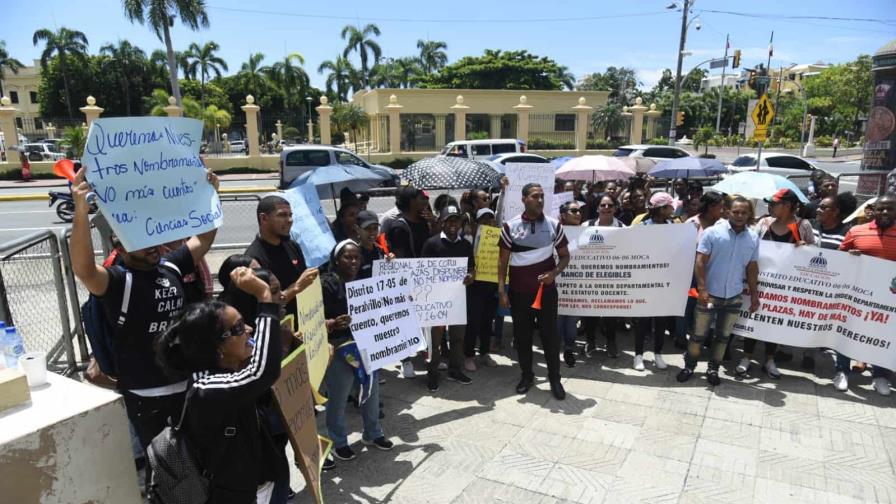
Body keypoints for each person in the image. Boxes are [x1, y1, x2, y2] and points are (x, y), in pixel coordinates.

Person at [69, 167, 219, 454]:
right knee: (169, 471)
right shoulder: (116, 281)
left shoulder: (170, 266)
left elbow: (203, 239)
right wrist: (79, 209)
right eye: (140, 240)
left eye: (151, 236)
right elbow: (84, 268)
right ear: (120, 248)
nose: (151, 245)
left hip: (186, 384)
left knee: (198, 459)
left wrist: (210, 196)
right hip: (147, 395)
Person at [156, 267, 286, 503]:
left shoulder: (231, 372)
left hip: (251, 487)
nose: (248, 330)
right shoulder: (206, 388)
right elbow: (262, 373)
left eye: (244, 323)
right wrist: (265, 297)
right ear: (216, 348)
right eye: (237, 328)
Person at [321, 240, 393, 460]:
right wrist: (333, 322)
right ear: (336, 260)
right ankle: (338, 441)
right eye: (348, 257)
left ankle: (373, 433)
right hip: (339, 346)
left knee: (371, 391)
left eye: (356, 258)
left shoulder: (363, 283)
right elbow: (314, 317)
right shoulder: (326, 285)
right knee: (340, 395)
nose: (353, 261)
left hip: (364, 343)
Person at [498, 183, 571, 400]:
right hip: (520, 294)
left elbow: (565, 256)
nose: (540, 200)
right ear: (524, 199)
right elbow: (502, 263)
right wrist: (502, 290)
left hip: (546, 293)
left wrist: (554, 273)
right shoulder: (510, 227)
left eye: (542, 196)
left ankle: (555, 379)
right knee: (522, 337)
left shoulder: (553, 225)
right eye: (535, 196)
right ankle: (527, 376)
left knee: (550, 337)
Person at [677, 197, 761, 385]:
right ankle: (689, 366)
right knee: (698, 336)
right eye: (736, 211)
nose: (739, 216)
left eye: (744, 212)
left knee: (722, 338)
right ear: (728, 212)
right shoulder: (712, 233)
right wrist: (702, 289)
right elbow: (700, 262)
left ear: (749, 214)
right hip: (709, 294)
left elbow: (752, 267)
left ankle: (713, 369)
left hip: (734, 296)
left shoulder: (753, 238)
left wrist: (755, 294)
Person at [738, 188, 815, 377]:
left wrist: (807, 249)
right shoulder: (764, 223)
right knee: (752, 316)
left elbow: (815, 255)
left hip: (784, 287)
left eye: (774, 203)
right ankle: (747, 356)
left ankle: (770, 359)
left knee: (773, 321)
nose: (770, 207)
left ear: (787, 206)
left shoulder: (803, 225)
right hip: (758, 282)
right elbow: (750, 244)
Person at [838, 192, 896, 395]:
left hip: (888, 299)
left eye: (890, 208)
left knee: (883, 336)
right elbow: (839, 257)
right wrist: (850, 256)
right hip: (857, 295)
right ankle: (842, 371)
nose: (885, 211)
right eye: (881, 208)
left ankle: (880, 376)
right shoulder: (856, 231)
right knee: (847, 331)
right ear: (873, 211)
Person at [421, 205, 476, 391]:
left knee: (457, 338)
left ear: (461, 223)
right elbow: (422, 272)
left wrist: (471, 276)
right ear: (442, 223)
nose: (453, 224)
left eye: (456, 220)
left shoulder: (466, 245)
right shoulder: (431, 244)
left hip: (458, 300)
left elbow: (472, 268)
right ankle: (433, 373)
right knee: (435, 342)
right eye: (449, 220)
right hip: (436, 301)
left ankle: (455, 370)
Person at [809, 192, 857, 391]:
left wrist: (853, 255)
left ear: (836, 212)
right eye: (819, 206)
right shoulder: (809, 226)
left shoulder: (848, 231)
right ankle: (799, 354)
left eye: (823, 207)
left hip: (835, 291)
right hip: (810, 287)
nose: (818, 210)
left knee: (839, 328)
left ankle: (841, 370)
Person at [244, 195, 318, 321]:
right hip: (277, 331)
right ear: (264, 218)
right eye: (282, 215)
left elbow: (305, 289)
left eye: (290, 215)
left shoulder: (293, 246)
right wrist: (295, 288)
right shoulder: (253, 259)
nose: (289, 220)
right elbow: (264, 305)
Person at [385, 186, 433, 379]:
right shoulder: (399, 226)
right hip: (407, 281)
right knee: (405, 320)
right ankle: (405, 360)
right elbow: (400, 259)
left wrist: (435, 226)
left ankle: (425, 352)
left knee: (423, 319)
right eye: (421, 198)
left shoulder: (424, 222)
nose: (425, 201)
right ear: (411, 201)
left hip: (424, 279)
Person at [633, 192, 677, 371]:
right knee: (642, 321)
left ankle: (658, 354)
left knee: (661, 321)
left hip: (664, 281)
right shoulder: (642, 227)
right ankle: (638, 355)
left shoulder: (674, 226)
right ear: (661, 209)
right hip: (645, 281)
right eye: (669, 206)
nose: (672, 209)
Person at [582, 194, 625, 357]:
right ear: (597, 208)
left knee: (611, 313)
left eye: (610, 205)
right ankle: (590, 341)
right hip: (591, 275)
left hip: (613, 276)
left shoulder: (622, 227)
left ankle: (611, 342)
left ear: (615, 208)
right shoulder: (587, 225)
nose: (606, 208)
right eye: (603, 205)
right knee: (590, 312)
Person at [467, 208, 500, 366]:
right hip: (475, 287)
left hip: (492, 287)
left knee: (487, 322)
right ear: (477, 223)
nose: (487, 223)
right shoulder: (469, 238)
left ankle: (485, 352)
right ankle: (469, 355)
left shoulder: (500, 238)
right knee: (473, 322)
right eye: (483, 220)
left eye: (490, 220)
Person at [556, 201, 583, 367]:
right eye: (574, 211)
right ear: (563, 215)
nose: (578, 213)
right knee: (558, 319)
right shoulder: (555, 232)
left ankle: (568, 348)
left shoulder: (588, 231)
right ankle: (557, 348)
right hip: (558, 282)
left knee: (572, 320)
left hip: (577, 285)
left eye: (579, 211)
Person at [356, 210, 391, 280]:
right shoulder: (354, 255)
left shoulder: (382, 251)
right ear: (357, 229)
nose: (372, 232)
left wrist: (391, 262)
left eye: (375, 228)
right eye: (367, 228)